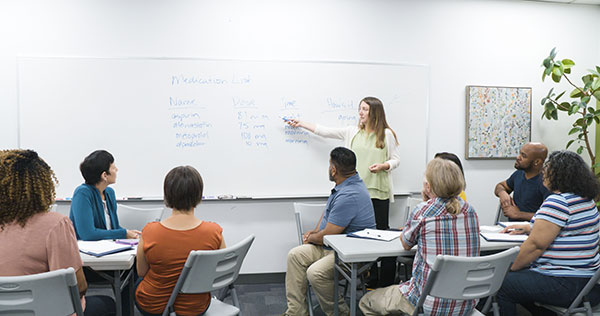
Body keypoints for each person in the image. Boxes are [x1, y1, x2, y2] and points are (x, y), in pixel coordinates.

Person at [287, 96, 400, 287]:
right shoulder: (352, 131)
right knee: (356, 236)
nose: (361, 113)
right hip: (354, 193)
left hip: (376, 192)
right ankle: (363, 277)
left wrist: (384, 165)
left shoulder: (386, 134)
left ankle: (382, 283)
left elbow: (396, 159)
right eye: (360, 109)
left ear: (375, 112)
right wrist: (302, 123)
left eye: (365, 109)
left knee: (380, 237)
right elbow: (325, 131)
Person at [0, 149, 115, 316]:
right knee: (108, 304)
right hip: (50, 311)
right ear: (42, 185)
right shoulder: (56, 225)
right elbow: (78, 287)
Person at [359, 158, 480, 316]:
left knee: (366, 301)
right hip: (466, 303)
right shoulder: (470, 211)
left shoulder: (422, 211)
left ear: (428, 186)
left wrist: (425, 203)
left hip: (427, 303)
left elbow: (406, 243)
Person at [496, 150, 600, 315]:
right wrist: (531, 227)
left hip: (563, 284)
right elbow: (569, 228)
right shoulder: (586, 200)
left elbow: (535, 246)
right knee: (522, 282)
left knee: (501, 283)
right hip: (589, 286)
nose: (543, 174)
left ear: (560, 175)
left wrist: (509, 268)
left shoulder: (558, 202)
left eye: (547, 170)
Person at [283, 147, 376, 316]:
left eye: (329, 165)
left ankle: (340, 313)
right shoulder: (345, 184)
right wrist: (315, 233)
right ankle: (296, 312)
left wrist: (312, 237)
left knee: (316, 273)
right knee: (295, 256)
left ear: (334, 169)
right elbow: (327, 217)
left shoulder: (349, 194)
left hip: (351, 255)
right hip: (334, 247)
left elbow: (329, 235)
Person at [135, 165, 225, 316]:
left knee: (136, 284)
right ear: (198, 195)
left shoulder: (150, 231)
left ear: (167, 195)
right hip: (196, 307)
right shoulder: (214, 232)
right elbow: (218, 273)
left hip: (154, 305)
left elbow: (141, 271)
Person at [69, 149, 140, 240]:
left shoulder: (109, 193)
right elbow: (88, 234)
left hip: (108, 246)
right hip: (87, 251)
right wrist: (123, 233)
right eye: (113, 168)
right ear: (104, 175)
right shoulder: (82, 193)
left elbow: (113, 228)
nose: (117, 170)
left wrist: (129, 233)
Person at [494, 142, 550, 221]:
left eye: (523, 156)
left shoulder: (547, 182)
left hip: (532, 231)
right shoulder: (519, 174)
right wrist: (502, 193)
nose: (518, 157)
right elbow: (500, 186)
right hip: (512, 228)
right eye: (519, 153)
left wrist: (519, 214)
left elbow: (549, 216)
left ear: (537, 162)